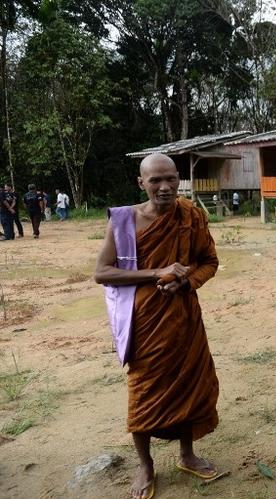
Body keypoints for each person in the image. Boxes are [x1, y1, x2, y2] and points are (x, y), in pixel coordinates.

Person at [93, 154, 222, 499]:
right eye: (155, 181)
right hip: (144, 323)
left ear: (178, 178)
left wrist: (185, 282)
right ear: (141, 183)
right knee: (144, 392)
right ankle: (146, 466)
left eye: (170, 179)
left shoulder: (192, 216)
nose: (165, 188)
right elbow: (102, 272)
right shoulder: (123, 221)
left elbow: (209, 261)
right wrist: (156, 272)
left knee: (189, 384)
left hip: (184, 318)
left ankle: (187, 454)